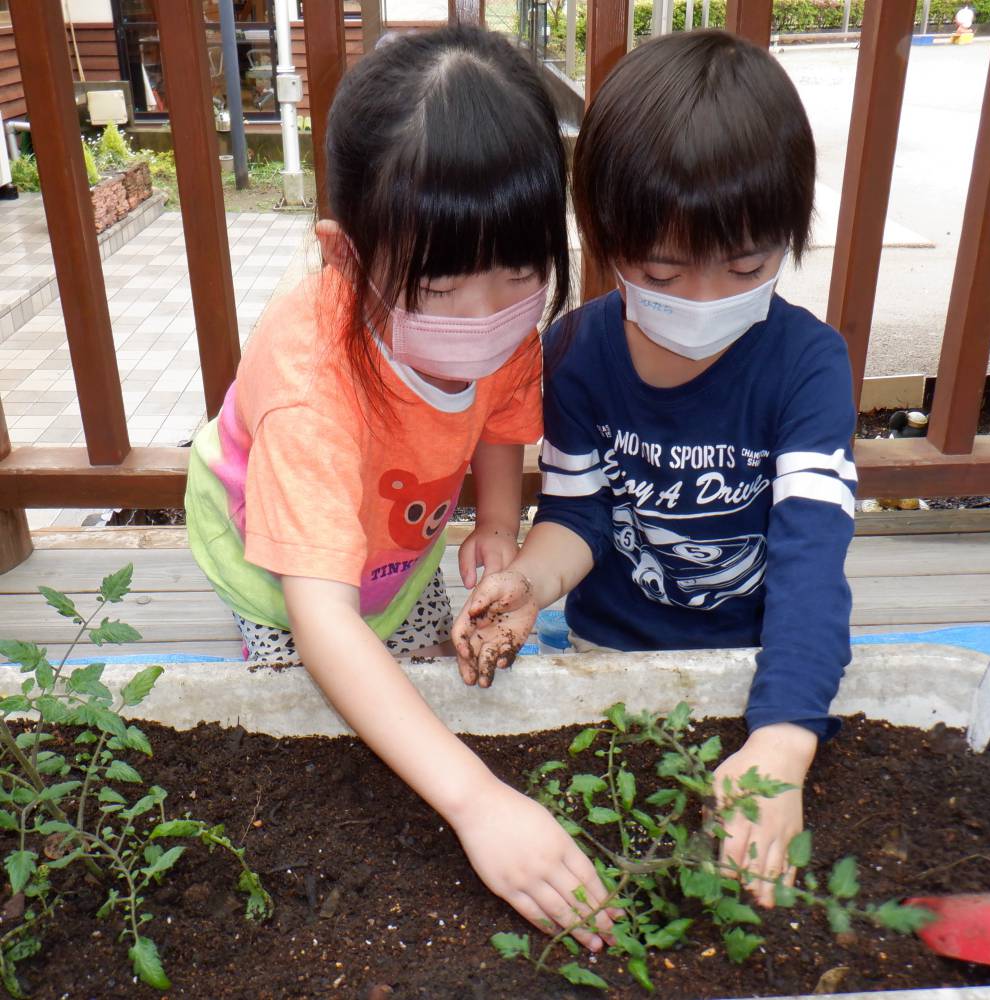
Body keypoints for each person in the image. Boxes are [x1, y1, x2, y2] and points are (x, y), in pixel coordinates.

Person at [185, 27, 613, 950]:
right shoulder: (310, 389)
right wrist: (478, 802)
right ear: (346, 256)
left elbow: (500, 415)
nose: (486, 316)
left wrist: (496, 522)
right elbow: (322, 621)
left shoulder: (504, 321)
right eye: (442, 288)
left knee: (412, 666)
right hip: (280, 571)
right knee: (312, 710)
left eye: (520, 274)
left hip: (398, 540)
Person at [453, 29, 857, 908]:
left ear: (789, 236)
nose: (704, 301)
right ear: (604, 238)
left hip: (758, 667)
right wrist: (528, 582)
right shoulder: (577, 351)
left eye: (745, 266)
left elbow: (809, 563)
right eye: (662, 272)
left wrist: (783, 737)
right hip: (610, 657)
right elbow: (580, 517)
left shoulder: (808, 367)